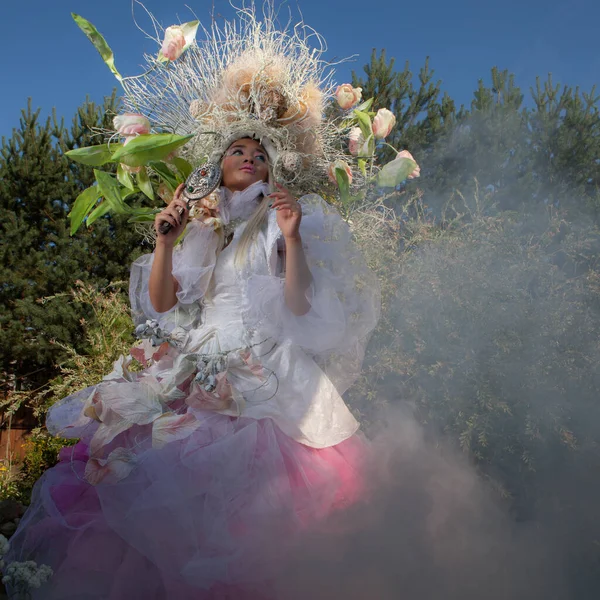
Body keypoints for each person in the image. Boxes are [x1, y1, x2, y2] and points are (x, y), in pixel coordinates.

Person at [3, 6, 390, 598]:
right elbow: (160, 306)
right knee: (150, 494)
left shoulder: (279, 225)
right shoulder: (203, 230)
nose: (251, 158)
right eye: (240, 151)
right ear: (218, 162)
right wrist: (164, 242)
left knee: (252, 515)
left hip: (258, 374)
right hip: (188, 362)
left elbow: (300, 305)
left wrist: (289, 238)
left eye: (261, 154)